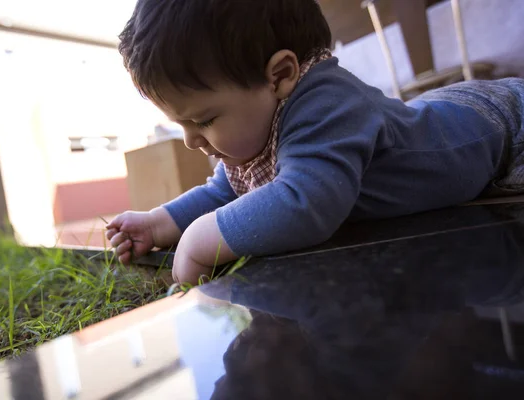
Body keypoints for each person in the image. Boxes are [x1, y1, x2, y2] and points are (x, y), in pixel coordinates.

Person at [106, 0, 524, 284]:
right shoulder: (263, 118)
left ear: (280, 74)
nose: (191, 139)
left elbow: (307, 201)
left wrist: (201, 239)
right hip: (438, 110)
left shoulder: (325, 103)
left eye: (205, 119)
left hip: (500, 122)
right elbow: (226, 189)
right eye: (182, 123)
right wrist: (161, 222)